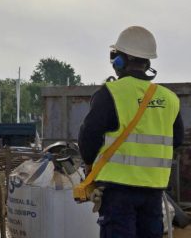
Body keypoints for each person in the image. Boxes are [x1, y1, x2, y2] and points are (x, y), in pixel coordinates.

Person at [78, 26, 184, 238]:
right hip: (153, 191)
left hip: (118, 192)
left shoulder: (110, 93)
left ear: (120, 60)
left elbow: (88, 138)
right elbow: (177, 139)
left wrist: (90, 164)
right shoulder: (170, 98)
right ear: (148, 63)